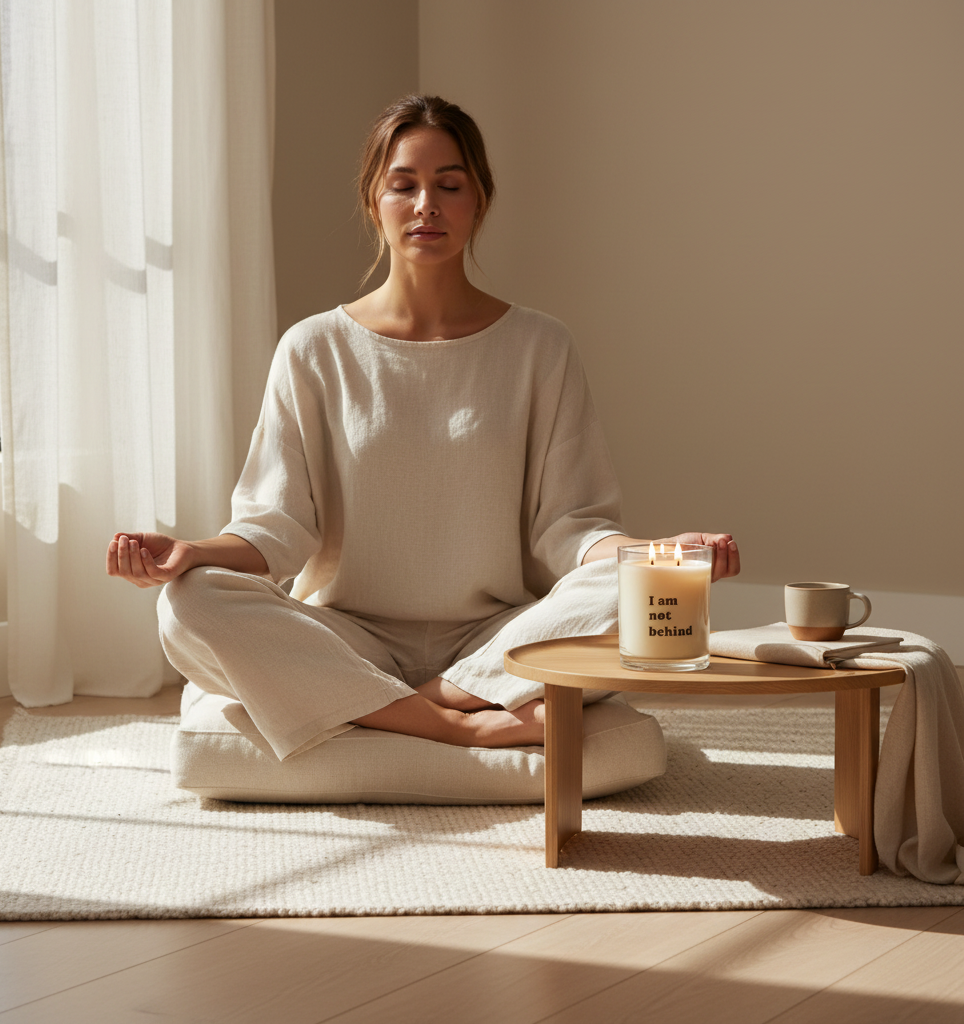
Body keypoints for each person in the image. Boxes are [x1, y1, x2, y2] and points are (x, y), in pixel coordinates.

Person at [106, 95, 740, 761]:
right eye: (403, 185)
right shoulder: (313, 349)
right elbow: (278, 527)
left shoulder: (539, 346)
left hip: (498, 635)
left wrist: (663, 555)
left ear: (479, 201)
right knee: (189, 604)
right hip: (346, 634)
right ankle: (458, 723)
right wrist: (191, 553)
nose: (426, 206)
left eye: (449, 185)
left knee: (652, 593)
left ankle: (399, 701)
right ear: (373, 202)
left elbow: (571, 529)